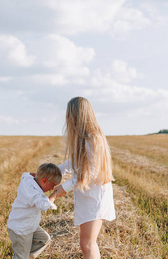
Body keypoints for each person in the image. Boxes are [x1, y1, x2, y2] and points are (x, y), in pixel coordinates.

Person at [54, 97, 116, 259]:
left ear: (76, 116)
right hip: (87, 196)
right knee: (86, 243)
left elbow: (91, 173)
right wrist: (52, 171)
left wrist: (63, 188)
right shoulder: (84, 138)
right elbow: (73, 162)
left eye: (69, 114)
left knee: (88, 244)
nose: (67, 118)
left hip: (95, 198)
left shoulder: (93, 139)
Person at [7, 163, 62, 259]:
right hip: (21, 229)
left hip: (29, 225)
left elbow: (27, 174)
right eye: (52, 185)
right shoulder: (33, 192)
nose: (52, 188)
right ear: (44, 181)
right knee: (21, 256)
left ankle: (24, 255)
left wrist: (40, 174)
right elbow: (44, 205)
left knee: (44, 239)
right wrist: (55, 195)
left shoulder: (28, 178)